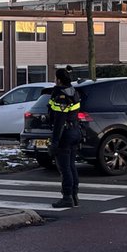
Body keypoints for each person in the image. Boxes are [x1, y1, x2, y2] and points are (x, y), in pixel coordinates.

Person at [45, 66, 82, 209]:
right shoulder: (74, 92)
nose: (54, 80)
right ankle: (74, 195)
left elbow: (59, 120)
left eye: (55, 78)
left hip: (64, 134)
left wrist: (54, 143)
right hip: (75, 131)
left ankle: (67, 197)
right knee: (72, 165)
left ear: (59, 80)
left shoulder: (60, 95)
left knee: (64, 167)